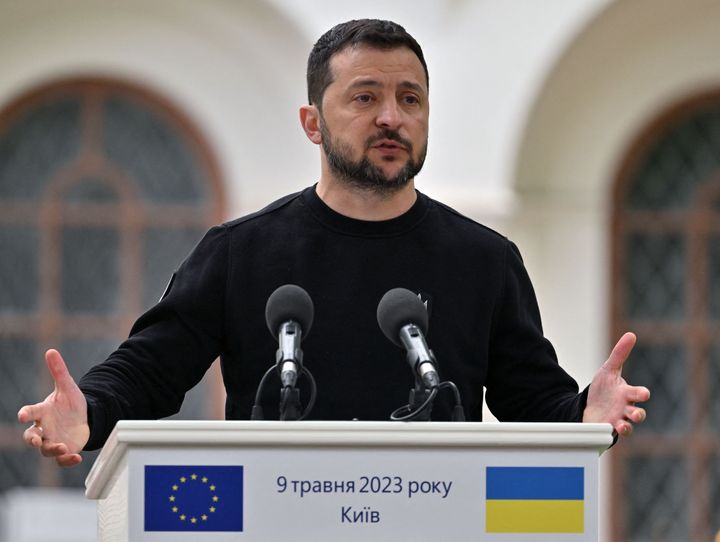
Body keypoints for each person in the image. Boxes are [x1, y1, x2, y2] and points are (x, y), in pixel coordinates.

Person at [18, 19, 650, 467]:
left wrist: (582, 421)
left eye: (410, 99)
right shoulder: (241, 252)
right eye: (365, 97)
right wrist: (91, 412)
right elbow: (151, 369)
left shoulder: (484, 260)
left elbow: (529, 399)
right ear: (312, 124)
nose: (391, 118)